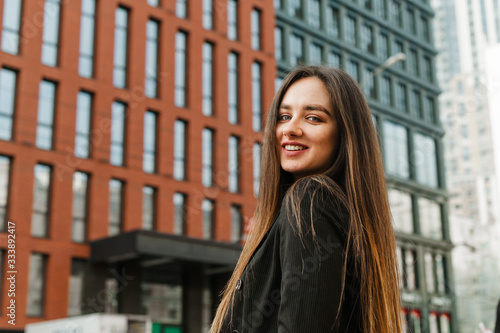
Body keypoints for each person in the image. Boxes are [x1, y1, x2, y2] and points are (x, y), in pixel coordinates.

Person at [210, 66, 402, 332]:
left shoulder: (310, 201)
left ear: (345, 134)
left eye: (313, 118)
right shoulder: (327, 210)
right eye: (284, 116)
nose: (290, 129)